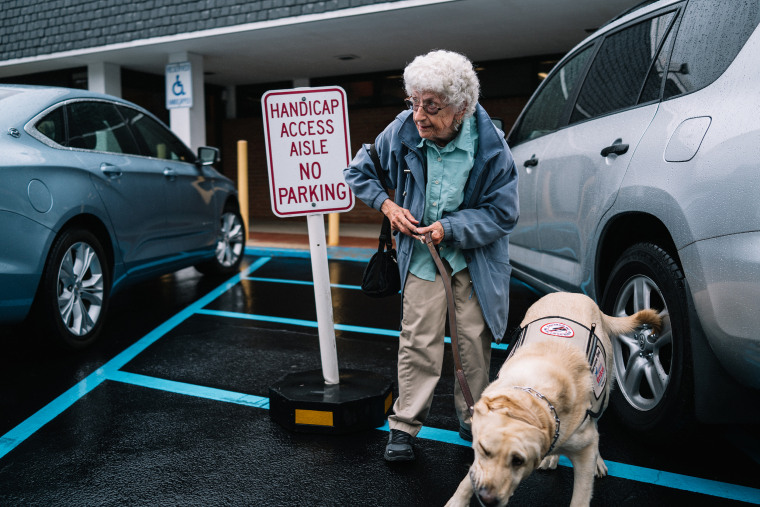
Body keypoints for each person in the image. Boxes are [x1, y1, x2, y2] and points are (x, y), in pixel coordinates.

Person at [343, 50, 519, 461]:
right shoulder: (403, 131)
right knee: (418, 340)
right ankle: (404, 426)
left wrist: (451, 228)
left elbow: (503, 213)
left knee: (473, 342)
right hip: (421, 259)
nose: (419, 116)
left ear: (460, 109)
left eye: (431, 107)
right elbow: (359, 171)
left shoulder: (491, 148)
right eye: (414, 103)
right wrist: (388, 207)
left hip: (473, 260)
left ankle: (474, 418)